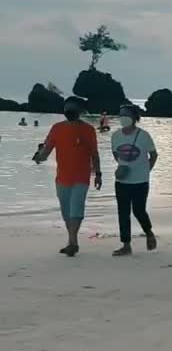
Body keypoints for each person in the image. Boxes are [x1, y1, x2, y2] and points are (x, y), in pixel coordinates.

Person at [33, 98, 101, 256]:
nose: (70, 110)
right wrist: (38, 157)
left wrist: (98, 174)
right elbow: (46, 151)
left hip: (82, 176)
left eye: (73, 108)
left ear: (79, 111)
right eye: (68, 108)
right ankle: (71, 240)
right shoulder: (57, 128)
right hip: (62, 177)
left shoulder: (88, 130)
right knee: (66, 211)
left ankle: (73, 242)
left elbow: (94, 154)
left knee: (76, 208)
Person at [110, 104, 158, 256]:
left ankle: (149, 232)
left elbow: (154, 155)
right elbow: (115, 153)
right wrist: (121, 167)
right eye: (121, 114)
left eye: (126, 114)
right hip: (122, 181)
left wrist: (147, 170)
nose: (122, 117)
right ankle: (126, 245)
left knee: (139, 210)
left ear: (134, 118)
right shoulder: (115, 136)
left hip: (140, 181)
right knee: (123, 212)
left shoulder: (143, 136)